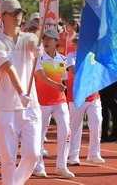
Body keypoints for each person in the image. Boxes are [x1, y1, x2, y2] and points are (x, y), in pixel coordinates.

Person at [0, 0, 42, 185]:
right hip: (7, 106)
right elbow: (9, 69)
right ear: (3, 16)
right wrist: (21, 92)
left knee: (33, 154)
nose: (18, 17)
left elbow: (35, 47)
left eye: (20, 13)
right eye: (13, 13)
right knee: (8, 159)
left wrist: (38, 48)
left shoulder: (29, 38)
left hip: (30, 105)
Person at [32, 28, 75, 179]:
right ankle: (38, 165)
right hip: (42, 102)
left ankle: (61, 166)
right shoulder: (38, 58)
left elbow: (63, 79)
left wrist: (61, 86)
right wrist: (56, 85)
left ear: (56, 41)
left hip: (59, 100)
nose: (46, 41)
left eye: (50, 39)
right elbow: (41, 77)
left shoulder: (63, 60)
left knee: (65, 130)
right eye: (44, 39)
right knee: (40, 134)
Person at [66, 43, 104, 167]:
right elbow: (74, 70)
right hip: (77, 97)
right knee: (75, 127)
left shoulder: (94, 56)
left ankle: (94, 154)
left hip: (93, 96)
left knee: (97, 122)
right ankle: (73, 156)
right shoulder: (71, 56)